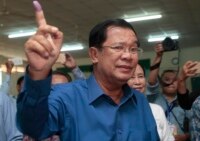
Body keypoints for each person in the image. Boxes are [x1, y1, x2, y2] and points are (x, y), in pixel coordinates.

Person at [16, 1, 159, 140]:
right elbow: (33, 128)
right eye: (118, 47)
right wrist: (38, 73)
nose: (128, 55)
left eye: (133, 49)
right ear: (94, 55)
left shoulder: (139, 101)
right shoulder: (65, 97)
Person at [147, 43, 190, 141]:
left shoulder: (184, 102)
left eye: (174, 80)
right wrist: (158, 56)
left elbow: (195, 124)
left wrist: (185, 137)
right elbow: (152, 82)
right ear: (161, 82)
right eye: (166, 79)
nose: (171, 82)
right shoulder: (154, 97)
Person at [127, 64, 174, 141]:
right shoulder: (117, 111)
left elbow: (168, 139)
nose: (137, 82)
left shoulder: (156, 110)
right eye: (131, 77)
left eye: (141, 76)